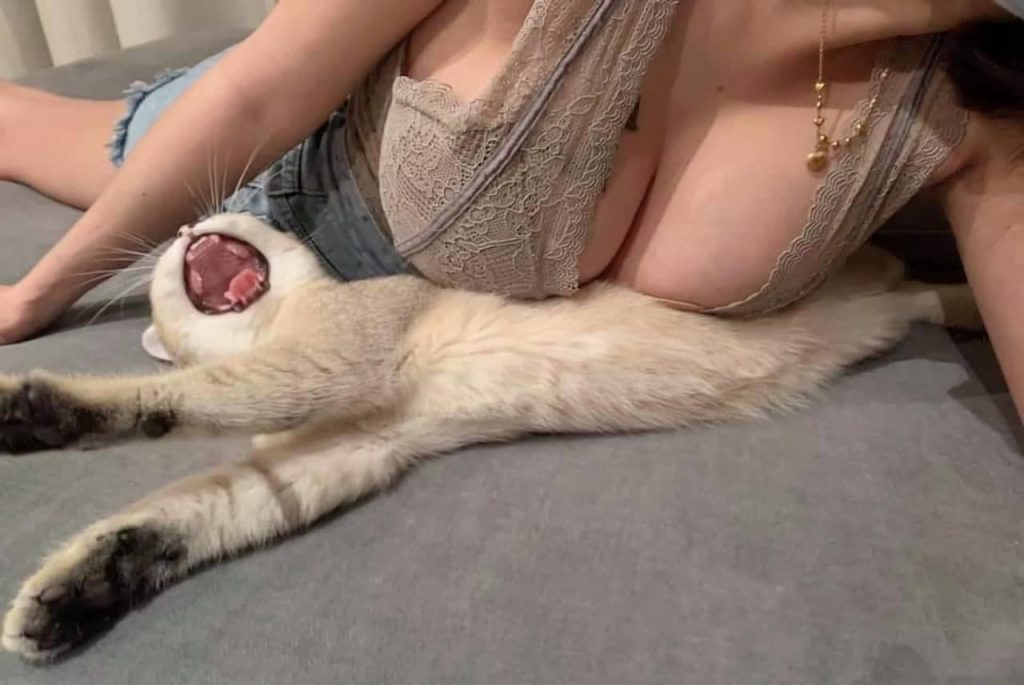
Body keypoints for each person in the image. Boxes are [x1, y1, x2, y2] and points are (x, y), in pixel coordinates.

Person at [0, 1, 1021, 411]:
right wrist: (35, 298)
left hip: (382, 289)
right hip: (276, 165)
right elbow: (256, 97)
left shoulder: (975, 109)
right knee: (23, 126)